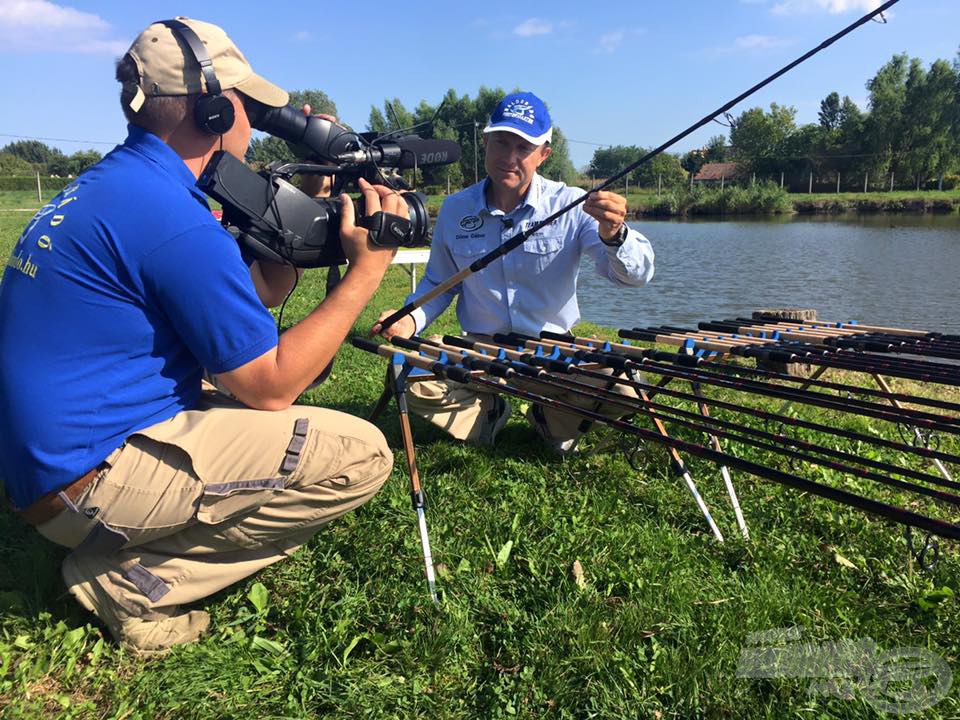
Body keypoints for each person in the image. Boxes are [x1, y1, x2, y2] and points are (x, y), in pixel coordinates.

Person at [0, 17, 402, 653]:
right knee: (361, 455)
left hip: (44, 470)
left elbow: (251, 299)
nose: (252, 124)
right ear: (214, 109)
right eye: (249, 108)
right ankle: (132, 582)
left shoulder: (118, 185)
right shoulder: (172, 219)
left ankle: (119, 543)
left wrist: (298, 205)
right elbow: (267, 385)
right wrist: (365, 274)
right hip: (87, 485)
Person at [375, 91, 655, 454]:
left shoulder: (572, 205)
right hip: (476, 349)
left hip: (555, 352)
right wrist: (408, 320)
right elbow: (438, 285)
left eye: (523, 148)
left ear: (543, 154)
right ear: (485, 142)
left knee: (628, 386)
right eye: (501, 143)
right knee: (406, 373)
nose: (509, 158)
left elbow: (634, 276)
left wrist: (615, 235)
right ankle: (489, 414)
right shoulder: (455, 209)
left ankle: (551, 418)